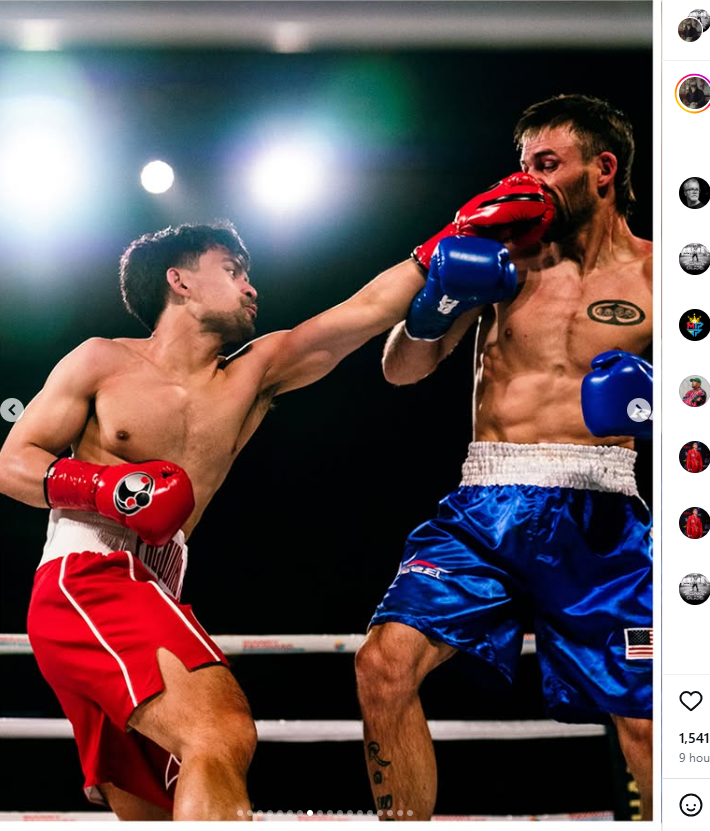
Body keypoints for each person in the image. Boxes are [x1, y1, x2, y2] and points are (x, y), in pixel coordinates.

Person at [0, 221, 516, 820]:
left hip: (156, 588)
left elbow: (364, 312)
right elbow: (12, 462)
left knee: (159, 805)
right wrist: (107, 488)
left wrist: (453, 237)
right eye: (232, 270)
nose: (251, 287)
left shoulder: (253, 374)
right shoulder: (102, 360)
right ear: (179, 281)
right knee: (220, 730)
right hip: (87, 579)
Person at [355, 94, 654, 821]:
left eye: (547, 164)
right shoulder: (502, 259)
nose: (527, 182)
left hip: (604, 516)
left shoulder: (667, 277)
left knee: (650, 718)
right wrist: (434, 304)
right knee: (383, 665)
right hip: (485, 504)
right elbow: (400, 369)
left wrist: (656, 406)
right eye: (523, 165)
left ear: (603, 169)